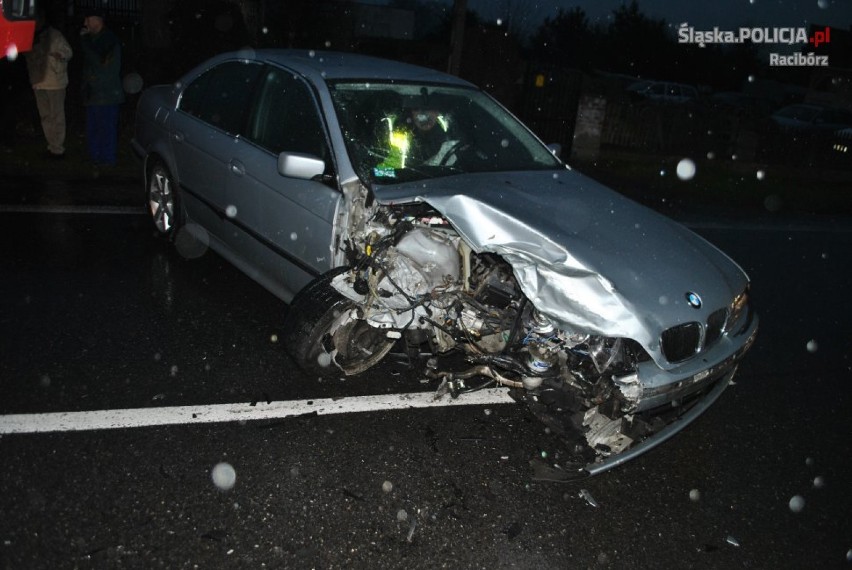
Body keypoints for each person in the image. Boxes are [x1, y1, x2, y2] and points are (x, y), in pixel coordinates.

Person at [79, 9, 124, 165]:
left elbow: (99, 63)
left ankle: (107, 159)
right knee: (93, 128)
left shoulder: (108, 41)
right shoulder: (95, 40)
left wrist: (85, 42)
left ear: (98, 20)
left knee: (106, 128)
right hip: (94, 93)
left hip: (106, 94)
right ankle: (96, 158)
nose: (85, 24)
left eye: (88, 19)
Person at [24, 14, 73, 159]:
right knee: (46, 116)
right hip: (39, 82)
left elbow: (68, 52)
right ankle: (52, 146)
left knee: (56, 115)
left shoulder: (54, 35)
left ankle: (58, 148)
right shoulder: (31, 37)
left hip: (55, 82)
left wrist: (60, 55)